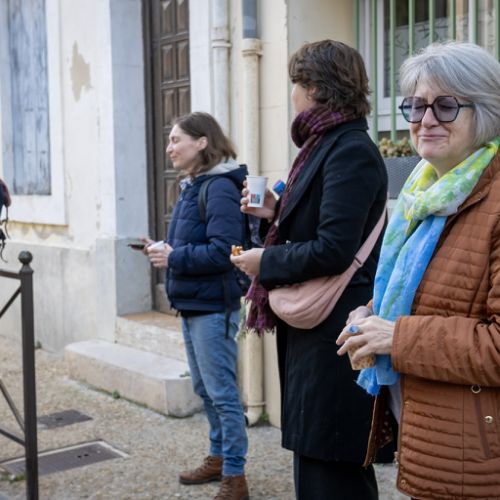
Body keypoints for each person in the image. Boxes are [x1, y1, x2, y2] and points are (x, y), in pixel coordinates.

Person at [337, 41, 500, 499]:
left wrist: (396, 337)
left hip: (477, 458)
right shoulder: (423, 194)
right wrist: (372, 313)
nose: (426, 119)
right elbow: (425, 291)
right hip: (432, 432)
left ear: (485, 113)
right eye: (416, 105)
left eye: (446, 106)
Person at [231, 40, 388, 499]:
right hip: (317, 328)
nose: (293, 94)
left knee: (332, 471)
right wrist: (276, 211)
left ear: (316, 88)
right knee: (317, 464)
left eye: (296, 84)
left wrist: (265, 262)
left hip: (333, 333)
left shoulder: (349, 149)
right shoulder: (326, 144)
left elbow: (334, 249)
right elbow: (322, 226)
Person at [145, 112, 249, 500]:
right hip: (193, 304)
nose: (169, 148)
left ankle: (235, 475)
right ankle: (219, 457)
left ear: (202, 142)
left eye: (176, 140)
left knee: (222, 393)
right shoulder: (194, 186)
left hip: (214, 307)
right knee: (205, 389)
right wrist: (165, 250)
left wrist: (174, 257)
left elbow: (225, 252)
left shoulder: (219, 187)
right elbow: (194, 245)